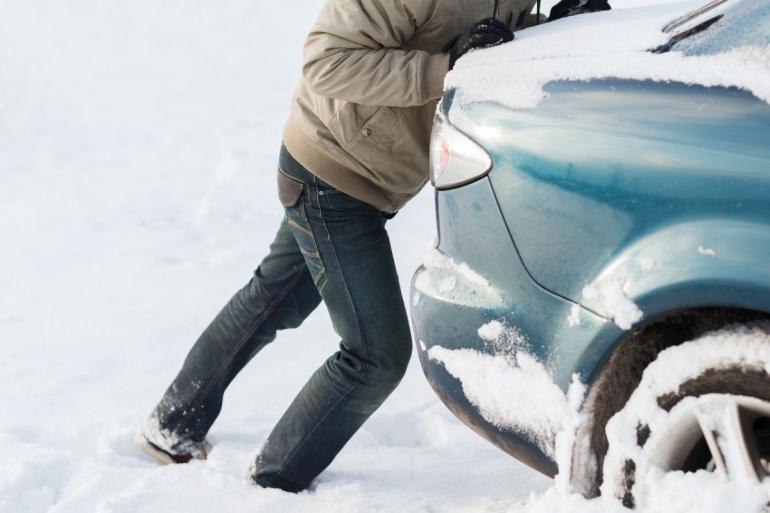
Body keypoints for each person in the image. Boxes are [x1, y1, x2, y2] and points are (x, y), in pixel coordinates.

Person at [135, 0, 540, 492]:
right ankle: (273, 482)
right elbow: (326, 61)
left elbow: (494, 37)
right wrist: (444, 68)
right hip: (331, 173)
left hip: (366, 175)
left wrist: (560, 25)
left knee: (273, 299)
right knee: (376, 355)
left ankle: (172, 425)